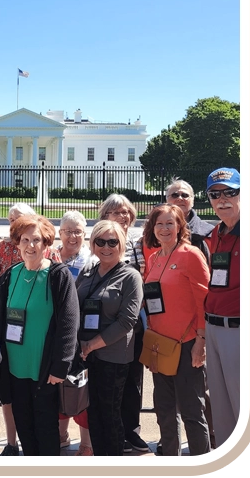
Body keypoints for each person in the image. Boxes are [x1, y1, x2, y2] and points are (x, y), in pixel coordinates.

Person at [0, 214, 79, 456]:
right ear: (17, 243)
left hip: (44, 369)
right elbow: (1, 320)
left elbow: (69, 322)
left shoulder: (57, 275)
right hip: (14, 367)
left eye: (37, 240)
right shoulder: (10, 275)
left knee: (45, 427)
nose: (30, 246)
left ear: (46, 244)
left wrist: (61, 365)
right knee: (23, 424)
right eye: (25, 240)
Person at [143, 204, 210, 456]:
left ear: (180, 226)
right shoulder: (154, 258)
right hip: (160, 345)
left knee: (192, 412)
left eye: (170, 223)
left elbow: (204, 301)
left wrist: (201, 342)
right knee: (165, 412)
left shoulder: (191, 255)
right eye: (159, 224)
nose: (164, 228)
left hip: (187, 344)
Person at [76, 220, 143, 456]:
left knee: (110, 414)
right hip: (86, 355)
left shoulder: (130, 277)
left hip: (113, 356)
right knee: (92, 413)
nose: (106, 247)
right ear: (93, 244)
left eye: (112, 242)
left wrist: (91, 345)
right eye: (100, 241)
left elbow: (127, 321)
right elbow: (74, 307)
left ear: (121, 244)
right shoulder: (88, 272)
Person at [164, 178, 216, 451]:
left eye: (185, 194)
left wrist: (202, 337)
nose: (180, 197)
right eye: (174, 194)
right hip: (166, 334)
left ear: (193, 200)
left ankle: (210, 446)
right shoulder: (159, 240)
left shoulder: (206, 234)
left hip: (195, 331)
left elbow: (206, 291)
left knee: (199, 396)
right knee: (170, 400)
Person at [98, 194, 149, 453]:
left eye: (127, 212)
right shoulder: (100, 240)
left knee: (133, 379)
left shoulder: (139, 243)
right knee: (111, 382)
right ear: (105, 215)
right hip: (107, 322)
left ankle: (131, 429)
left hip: (135, 320)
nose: (124, 216)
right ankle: (116, 430)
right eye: (118, 212)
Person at [204, 167, 240, 448]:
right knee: (222, 409)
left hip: (240, 328)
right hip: (213, 326)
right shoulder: (216, 232)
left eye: (231, 191)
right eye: (216, 194)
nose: (223, 199)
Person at [56, 211, 94, 456]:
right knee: (56, 383)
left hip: (82, 333)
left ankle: (87, 443)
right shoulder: (50, 257)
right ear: (60, 233)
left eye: (77, 231)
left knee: (82, 386)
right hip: (53, 333)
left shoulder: (91, 261)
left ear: (85, 235)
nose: (72, 236)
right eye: (67, 231)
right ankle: (60, 435)